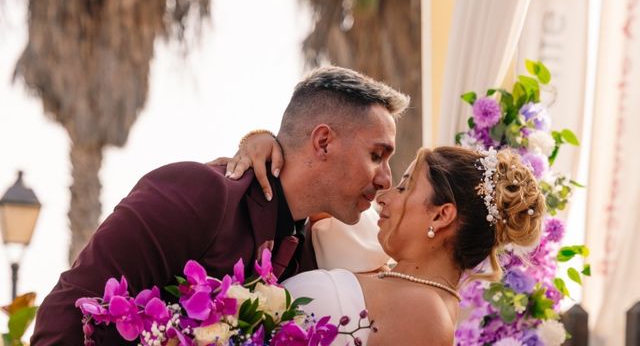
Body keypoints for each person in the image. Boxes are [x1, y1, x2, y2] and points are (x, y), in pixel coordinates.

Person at [31, 66, 409, 345]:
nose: (385, 179)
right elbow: (64, 315)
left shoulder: (316, 246)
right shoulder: (202, 193)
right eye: (377, 155)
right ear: (323, 142)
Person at [226, 142, 545, 345]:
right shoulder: (375, 262)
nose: (384, 198)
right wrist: (265, 143)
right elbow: (315, 182)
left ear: (441, 215)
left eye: (405, 188)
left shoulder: (426, 315)